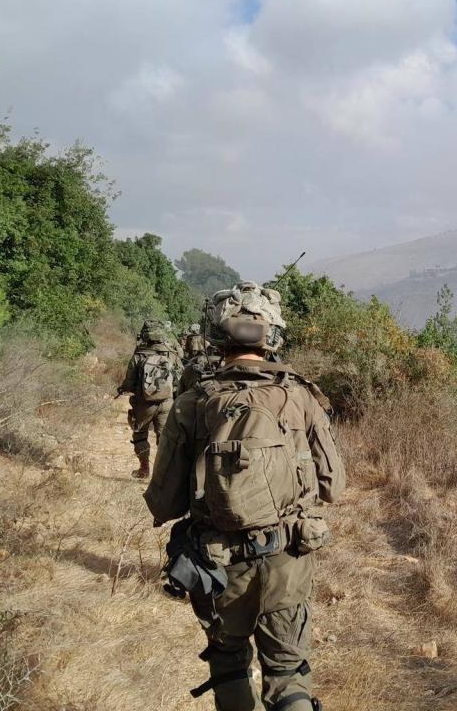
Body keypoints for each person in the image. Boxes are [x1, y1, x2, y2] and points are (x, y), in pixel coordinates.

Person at [144, 282, 345, 711]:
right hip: (287, 558)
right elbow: (334, 485)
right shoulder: (302, 397)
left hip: (218, 565)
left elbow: (163, 504)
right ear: (272, 334)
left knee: (229, 662)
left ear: (217, 335)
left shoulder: (191, 403)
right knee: (288, 671)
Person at [117, 319, 183, 479]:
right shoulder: (170, 353)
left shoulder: (139, 354)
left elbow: (129, 382)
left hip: (143, 404)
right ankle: (164, 474)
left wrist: (124, 389)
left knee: (140, 434)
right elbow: (180, 377)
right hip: (166, 403)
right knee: (165, 439)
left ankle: (144, 469)